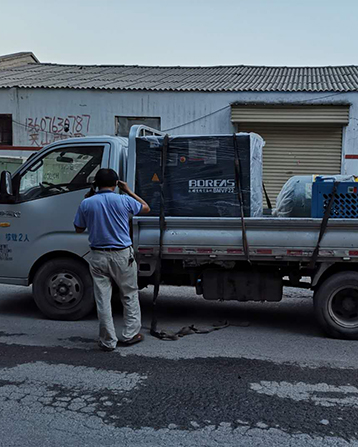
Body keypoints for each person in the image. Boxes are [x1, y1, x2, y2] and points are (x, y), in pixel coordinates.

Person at [74, 168, 150, 351]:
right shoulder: (123, 199)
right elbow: (146, 208)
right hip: (122, 255)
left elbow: (78, 228)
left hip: (98, 256)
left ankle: (108, 340)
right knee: (129, 294)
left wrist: (89, 198)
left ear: (96, 184)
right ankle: (131, 334)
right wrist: (129, 190)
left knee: (102, 299)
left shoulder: (87, 203)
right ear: (116, 184)